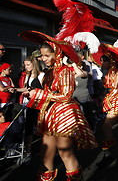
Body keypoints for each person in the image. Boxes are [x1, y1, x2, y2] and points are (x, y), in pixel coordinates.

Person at [20, 31, 97, 181]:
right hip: (49, 115)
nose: (43, 59)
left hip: (64, 115)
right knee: (45, 154)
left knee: (65, 153)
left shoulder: (65, 72)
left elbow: (66, 96)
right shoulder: (49, 72)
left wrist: (39, 94)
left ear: (57, 54)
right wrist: (33, 93)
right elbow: (46, 92)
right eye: (42, 56)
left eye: (47, 56)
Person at [16, 56, 44, 157]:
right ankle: (28, 150)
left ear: (34, 64)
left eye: (28, 65)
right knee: (28, 128)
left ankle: (44, 149)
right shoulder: (28, 75)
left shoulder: (41, 76)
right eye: (25, 65)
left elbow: (44, 92)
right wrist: (15, 89)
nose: (26, 67)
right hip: (29, 105)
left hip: (39, 106)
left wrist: (32, 93)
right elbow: (26, 88)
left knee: (40, 128)